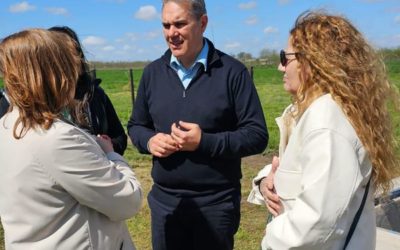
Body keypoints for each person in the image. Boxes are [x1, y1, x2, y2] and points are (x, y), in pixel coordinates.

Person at [248, 10, 400, 249]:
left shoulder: (326, 122)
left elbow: (316, 224)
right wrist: (267, 180)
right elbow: (308, 174)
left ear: (312, 61)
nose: (280, 67)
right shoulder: (315, 112)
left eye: (285, 57)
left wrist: (271, 234)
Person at [127, 0, 268, 249]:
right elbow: (136, 125)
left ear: (202, 23)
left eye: (180, 24)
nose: (172, 33)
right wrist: (150, 141)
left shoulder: (232, 72)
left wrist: (204, 142)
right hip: (165, 203)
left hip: (216, 203)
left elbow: (256, 135)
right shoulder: (152, 74)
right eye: (166, 25)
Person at [0, 29, 142, 249]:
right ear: (52, 75)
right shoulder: (57, 139)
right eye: (67, 67)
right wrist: (111, 155)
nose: (74, 77)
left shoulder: (7, 125)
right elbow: (127, 200)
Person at [0, 26, 128, 155]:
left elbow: (119, 137)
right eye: (61, 56)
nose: (70, 61)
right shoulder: (12, 103)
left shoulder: (95, 94)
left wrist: (102, 150)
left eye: (70, 54)